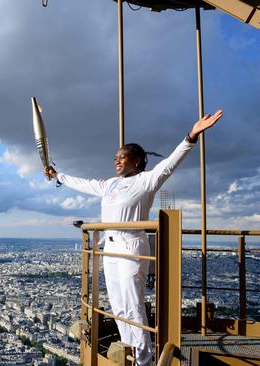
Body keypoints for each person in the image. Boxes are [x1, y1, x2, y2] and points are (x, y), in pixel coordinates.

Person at [44, 110, 223, 366]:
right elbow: (82, 183)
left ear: (137, 161)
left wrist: (191, 135)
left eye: (122, 157)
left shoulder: (146, 181)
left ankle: (144, 360)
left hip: (131, 247)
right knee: (118, 306)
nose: (116, 161)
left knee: (134, 305)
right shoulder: (110, 185)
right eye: (116, 157)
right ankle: (130, 351)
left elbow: (170, 163)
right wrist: (57, 176)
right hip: (111, 248)